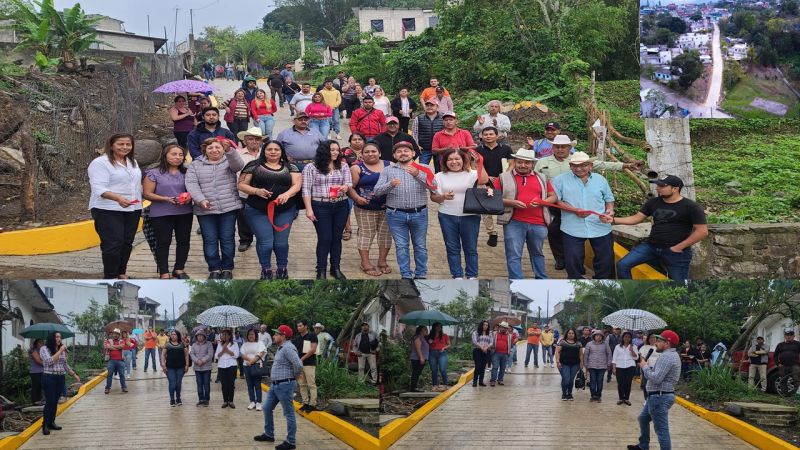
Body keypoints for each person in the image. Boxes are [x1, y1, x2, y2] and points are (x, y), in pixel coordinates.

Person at [535, 134, 638, 271]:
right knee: (555, 231)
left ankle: (581, 267)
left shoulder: (582, 163)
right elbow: (535, 180)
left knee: (599, 255)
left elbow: (604, 173)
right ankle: (561, 259)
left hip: (590, 215)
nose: (560, 149)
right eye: (557, 146)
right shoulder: (543, 163)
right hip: (555, 203)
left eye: (563, 147)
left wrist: (626, 165)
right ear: (553, 147)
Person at [607, 175, 709, 281]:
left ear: (675, 189)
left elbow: (702, 231)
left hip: (676, 251)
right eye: (658, 185)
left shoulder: (691, 207)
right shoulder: (654, 202)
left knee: (679, 283)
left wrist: (678, 247)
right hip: (651, 246)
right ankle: (629, 293)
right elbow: (636, 218)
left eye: (662, 186)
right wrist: (612, 220)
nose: (658, 188)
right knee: (623, 265)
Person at [239, 140, 301, 280]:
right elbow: (242, 185)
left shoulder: (290, 166)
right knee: (266, 241)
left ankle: (282, 268)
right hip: (257, 209)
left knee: (281, 242)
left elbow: (296, 185)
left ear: (281, 152)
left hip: (285, 209)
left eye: (276, 149)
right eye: (269, 149)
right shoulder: (253, 166)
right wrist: (256, 191)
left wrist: (287, 194)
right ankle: (265, 268)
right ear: (264, 151)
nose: (273, 152)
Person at [186, 138, 245, 279]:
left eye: (218, 147)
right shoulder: (195, 164)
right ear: (204, 149)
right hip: (205, 209)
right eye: (210, 148)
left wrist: (230, 150)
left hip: (228, 207)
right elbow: (191, 184)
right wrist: (200, 200)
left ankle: (227, 268)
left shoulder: (228, 160)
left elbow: (239, 165)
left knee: (227, 238)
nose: (214, 150)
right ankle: (214, 268)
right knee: (209, 239)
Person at [374, 141, 434, 279]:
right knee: (401, 246)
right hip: (395, 214)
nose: (403, 153)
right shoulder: (388, 170)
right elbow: (377, 191)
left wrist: (417, 174)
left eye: (406, 151)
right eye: (399, 151)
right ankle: (405, 275)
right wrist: (390, 184)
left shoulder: (423, 167)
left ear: (413, 153)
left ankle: (421, 274)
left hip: (419, 213)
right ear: (394, 155)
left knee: (420, 246)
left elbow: (433, 187)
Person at [553, 151, 616, 279]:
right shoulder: (560, 179)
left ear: (590, 166)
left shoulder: (600, 180)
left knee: (606, 258)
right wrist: (574, 210)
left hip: (599, 224)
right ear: (570, 166)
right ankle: (576, 283)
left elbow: (609, 199)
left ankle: (602, 283)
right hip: (572, 226)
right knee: (573, 258)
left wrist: (610, 211)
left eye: (583, 165)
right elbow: (557, 201)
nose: (579, 168)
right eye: (575, 165)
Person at [87, 133, 143, 279]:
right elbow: (98, 187)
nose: (125, 147)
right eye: (120, 144)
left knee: (127, 242)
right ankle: (111, 276)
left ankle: (121, 273)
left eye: (128, 144)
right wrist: (117, 198)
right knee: (113, 244)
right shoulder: (100, 163)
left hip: (132, 208)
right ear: (111, 145)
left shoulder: (132, 162)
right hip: (107, 208)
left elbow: (136, 185)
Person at [495, 148, 556, 279]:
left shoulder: (542, 177)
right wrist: (511, 202)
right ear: (515, 162)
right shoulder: (503, 177)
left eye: (527, 163)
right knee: (513, 254)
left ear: (532, 164)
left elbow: (553, 196)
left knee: (538, 253)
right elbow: (493, 198)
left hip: (539, 222)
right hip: (514, 221)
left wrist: (542, 201)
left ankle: (541, 278)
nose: (523, 165)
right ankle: (516, 280)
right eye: (520, 162)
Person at [431, 148, 488, 279]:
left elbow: (483, 181)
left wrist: (480, 164)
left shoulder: (472, 174)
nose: (454, 162)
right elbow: (433, 197)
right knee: (452, 247)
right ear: (445, 161)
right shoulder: (439, 176)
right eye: (450, 159)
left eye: (457, 159)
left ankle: (472, 274)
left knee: (471, 247)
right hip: (446, 215)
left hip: (470, 215)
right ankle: (457, 275)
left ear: (463, 160)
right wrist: (443, 197)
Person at [303, 140, 352, 280]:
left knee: (337, 238)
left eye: (337, 149)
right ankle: (321, 270)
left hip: (340, 204)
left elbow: (349, 182)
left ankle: (335, 267)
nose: (336, 152)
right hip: (320, 205)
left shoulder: (342, 165)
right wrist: (308, 209)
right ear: (324, 151)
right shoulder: (311, 167)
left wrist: (346, 187)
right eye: (332, 150)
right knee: (325, 238)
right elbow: (306, 189)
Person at [143, 144, 192, 279]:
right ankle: (164, 271)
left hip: (184, 212)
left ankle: (179, 269)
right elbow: (147, 194)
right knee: (163, 242)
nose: (177, 157)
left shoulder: (188, 172)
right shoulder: (153, 173)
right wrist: (165, 199)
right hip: (161, 213)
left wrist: (189, 197)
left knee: (184, 241)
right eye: (173, 154)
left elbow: (194, 189)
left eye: (180, 155)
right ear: (165, 156)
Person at [628, 330, 681, 450]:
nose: (656, 342)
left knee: (661, 430)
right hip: (657, 396)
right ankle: (643, 445)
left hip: (659, 397)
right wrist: (648, 367)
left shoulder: (667, 357)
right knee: (642, 418)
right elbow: (660, 375)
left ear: (667, 343)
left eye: (659, 340)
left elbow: (656, 379)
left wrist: (644, 366)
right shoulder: (671, 355)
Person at [253, 325, 303, 449]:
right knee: (266, 408)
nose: (274, 336)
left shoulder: (288, 348)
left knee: (289, 413)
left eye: (277, 334)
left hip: (284, 385)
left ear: (283, 336)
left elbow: (298, 365)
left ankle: (291, 442)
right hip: (275, 386)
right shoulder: (281, 348)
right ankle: (269, 434)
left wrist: (293, 378)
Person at [349, 142, 392, 276]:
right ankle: (365, 262)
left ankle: (382, 261)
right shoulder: (357, 168)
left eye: (373, 151)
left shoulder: (389, 165)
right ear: (362, 154)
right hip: (365, 207)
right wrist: (356, 198)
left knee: (385, 235)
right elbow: (350, 187)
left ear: (379, 153)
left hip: (388, 207)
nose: (370, 154)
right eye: (366, 152)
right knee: (366, 235)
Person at [474, 127, 513, 247]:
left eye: (491, 134)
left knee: (507, 205)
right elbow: (474, 165)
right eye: (485, 134)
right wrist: (486, 177)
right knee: (485, 208)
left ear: (497, 136)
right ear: (482, 136)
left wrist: (503, 176)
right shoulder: (477, 150)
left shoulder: (506, 148)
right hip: (485, 182)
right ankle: (492, 232)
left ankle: (510, 230)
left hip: (503, 181)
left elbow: (512, 163)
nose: (488, 136)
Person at [39, 332, 80, 435]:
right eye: (57, 337)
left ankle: (52, 422)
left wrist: (74, 375)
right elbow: (49, 361)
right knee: (50, 401)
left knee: (55, 401)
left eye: (60, 337)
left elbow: (65, 365)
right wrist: (61, 350)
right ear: (52, 338)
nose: (59, 339)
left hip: (60, 377)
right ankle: (45, 425)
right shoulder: (44, 349)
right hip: (49, 377)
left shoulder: (61, 350)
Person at [235, 128, 265, 254]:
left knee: (263, 217)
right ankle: (245, 240)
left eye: (257, 139)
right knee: (243, 218)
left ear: (261, 141)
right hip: (243, 191)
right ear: (245, 140)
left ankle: (263, 239)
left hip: (263, 192)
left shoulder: (266, 153)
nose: (254, 142)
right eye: (250, 139)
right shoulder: (238, 154)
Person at [293, 320, 319, 412]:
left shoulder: (312, 335)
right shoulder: (297, 338)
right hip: (300, 364)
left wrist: (302, 359)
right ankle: (305, 403)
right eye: (298, 326)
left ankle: (313, 404)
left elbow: (313, 349)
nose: (298, 328)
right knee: (302, 384)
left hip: (309, 363)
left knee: (311, 384)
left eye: (300, 326)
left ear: (305, 326)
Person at [411, 99, 444, 168]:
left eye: (432, 105)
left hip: (440, 149)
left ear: (437, 107)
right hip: (424, 149)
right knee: (422, 169)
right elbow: (414, 133)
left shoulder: (443, 118)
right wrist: (416, 145)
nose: (429, 107)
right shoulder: (419, 118)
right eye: (427, 105)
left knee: (440, 169)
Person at [241, 329, 268, 411]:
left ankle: (258, 402)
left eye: (252, 334)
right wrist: (249, 361)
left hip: (256, 366)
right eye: (249, 334)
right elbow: (242, 354)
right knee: (250, 385)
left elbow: (261, 353)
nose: (251, 336)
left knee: (257, 385)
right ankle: (252, 401)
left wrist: (252, 361)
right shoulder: (245, 344)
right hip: (246, 366)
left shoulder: (260, 343)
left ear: (256, 335)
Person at [161, 330, 189, 406]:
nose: (173, 336)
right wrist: (163, 365)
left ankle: (178, 398)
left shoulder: (182, 344)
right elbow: (163, 355)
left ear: (178, 336)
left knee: (178, 384)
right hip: (170, 368)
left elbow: (186, 355)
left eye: (175, 334)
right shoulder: (167, 345)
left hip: (180, 367)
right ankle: (172, 399)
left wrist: (187, 365)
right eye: (172, 334)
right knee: (172, 383)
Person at [554, 329, 583, 401]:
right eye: (569, 333)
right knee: (566, 379)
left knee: (571, 380)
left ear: (575, 334)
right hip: (564, 364)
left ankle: (569, 394)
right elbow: (557, 352)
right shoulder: (562, 342)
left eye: (572, 333)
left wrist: (581, 363)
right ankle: (564, 393)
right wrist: (558, 362)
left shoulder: (578, 343)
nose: (571, 334)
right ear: (566, 334)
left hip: (575, 365)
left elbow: (581, 354)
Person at [583, 329, 612, 402]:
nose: (598, 337)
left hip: (602, 366)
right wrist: (586, 364)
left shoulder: (605, 344)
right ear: (594, 336)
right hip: (592, 366)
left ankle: (598, 395)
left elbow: (609, 354)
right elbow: (586, 355)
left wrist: (609, 364)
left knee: (600, 381)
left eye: (600, 336)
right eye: (596, 335)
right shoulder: (589, 344)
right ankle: (593, 395)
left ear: (602, 337)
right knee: (592, 381)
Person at [215, 329, 240, 408]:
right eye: (222, 335)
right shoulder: (219, 344)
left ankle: (231, 401)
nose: (223, 336)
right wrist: (223, 350)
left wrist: (227, 350)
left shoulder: (235, 344)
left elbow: (236, 355)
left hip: (232, 366)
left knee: (231, 384)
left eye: (225, 335)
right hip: (222, 366)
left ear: (229, 336)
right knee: (224, 384)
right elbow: (216, 356)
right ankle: (225, 401)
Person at [612, 331, 639, 406]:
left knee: (628, 383)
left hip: (630, 366)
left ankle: (626, 398)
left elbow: (636, 357)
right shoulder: (618, 346)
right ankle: (621, 398)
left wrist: (632, 350)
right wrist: (614, 368)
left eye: (629, 337)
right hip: (619, 366)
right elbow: (614, 358)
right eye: (625, 336)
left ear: (631, 338)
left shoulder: (634, 346)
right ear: (623, 337)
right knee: (620, 383)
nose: (627, 338)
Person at [190, 329, 213, 406]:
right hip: (197, 368)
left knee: (206, 383)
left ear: (204, 336)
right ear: (196, 337)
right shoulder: (194, 345)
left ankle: (206, 399)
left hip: (206, 368)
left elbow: (210, 354)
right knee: (199, 384)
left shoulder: (209, 344)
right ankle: (201, 399)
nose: (200, 337)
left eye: (201, 335)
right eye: (198, 336)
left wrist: (202, 360)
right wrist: (197, 361)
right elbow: (192, 354)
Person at [427, 322, 451, 391]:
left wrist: (444, 348)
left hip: (442, 353)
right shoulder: (430, 336)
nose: (439, 328)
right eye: (437, 326)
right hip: (432, 354)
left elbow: (449, 344)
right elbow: (425, 345)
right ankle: (435, 385)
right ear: (434, 327)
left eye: (440, 326)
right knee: (434, 370)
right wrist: (429, 342)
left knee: (442, 369)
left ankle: (445, 385)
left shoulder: (444, 335)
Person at [774, 329, 800, 393]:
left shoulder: (798, 344)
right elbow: (775, 355)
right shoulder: (780, 345)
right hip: (783, 365)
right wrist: (778, 364)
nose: (789, 336)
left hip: (795, 365)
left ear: (794, 336)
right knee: (783, 380)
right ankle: (785, 394)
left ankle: (795, 393)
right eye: (787, 335)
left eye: (791, 335)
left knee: (796, 380)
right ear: (784, 336)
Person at [104, 328, 128, 394]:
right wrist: (117, 347)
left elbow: (122, 346)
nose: (116, 335)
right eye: (115, 333)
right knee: (109, 374)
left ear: (119, 335)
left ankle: (124, 387)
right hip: (111, 360)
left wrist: (113, 346)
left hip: (120, 360)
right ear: (113, 334)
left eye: (117, 334)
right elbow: (108, 347)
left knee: (122, 375)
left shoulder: (122, 341)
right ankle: (107, 388)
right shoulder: (109, 340)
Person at [490, 322, 513, 386]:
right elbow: (490, 341)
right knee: (495, 367)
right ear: (500, 327)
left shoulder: (509, 336)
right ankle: (493, 380)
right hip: (496, 353)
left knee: (503, 368)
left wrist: (509, 352)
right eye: (502, 327)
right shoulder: (494, 333)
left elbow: (511, 345)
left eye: (505, 328)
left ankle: (500, 380)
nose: (504, 329)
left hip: (505, 354)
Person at [638, 333, 660, 398]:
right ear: (648, 339)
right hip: (646, 367)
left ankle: (653, 398)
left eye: (654, 337)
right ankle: (646, 399)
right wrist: (644, 363)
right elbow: (641, 357)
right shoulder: (644, 347)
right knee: (645, 384)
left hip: (656, 368)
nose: (652, 339)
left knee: (654, 384)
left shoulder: (659, 347)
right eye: (651, 338)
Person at [409, 325, 429, 392]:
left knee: (417, 373)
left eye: (426, 329)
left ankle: (414, 387)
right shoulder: (418, 337)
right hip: (417, 359)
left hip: (420, 358)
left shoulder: (423, 338)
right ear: (421, 331)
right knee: (416, 373)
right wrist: (421, 357)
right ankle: (413, 388)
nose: (427, 330)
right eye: (425, 329)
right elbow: (418, 349)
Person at [471, 320, 492, 387]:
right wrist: (482, 348)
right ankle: (475, 381)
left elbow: (491, 342)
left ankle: (481, 381)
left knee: (483, 366)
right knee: (478, 366)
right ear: (481, 325)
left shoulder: (489, 333)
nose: (485, 326)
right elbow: (475, 341)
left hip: (486, 351)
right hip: (477, 351)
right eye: (484, 325)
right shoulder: (476, 333)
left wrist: (486, 348)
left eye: (487, 325)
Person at [29, 339, 45, 405]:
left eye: (43, 342)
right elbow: (38, 360)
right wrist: (48, 364)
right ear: (37, 343)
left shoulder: (42, 350)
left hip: (41, 371)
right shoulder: (33, 350)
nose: (42, 344)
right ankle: (35, 401)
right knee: (36, 386)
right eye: (41, 342)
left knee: (42, 386)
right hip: (35, 371)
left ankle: (40, 400)